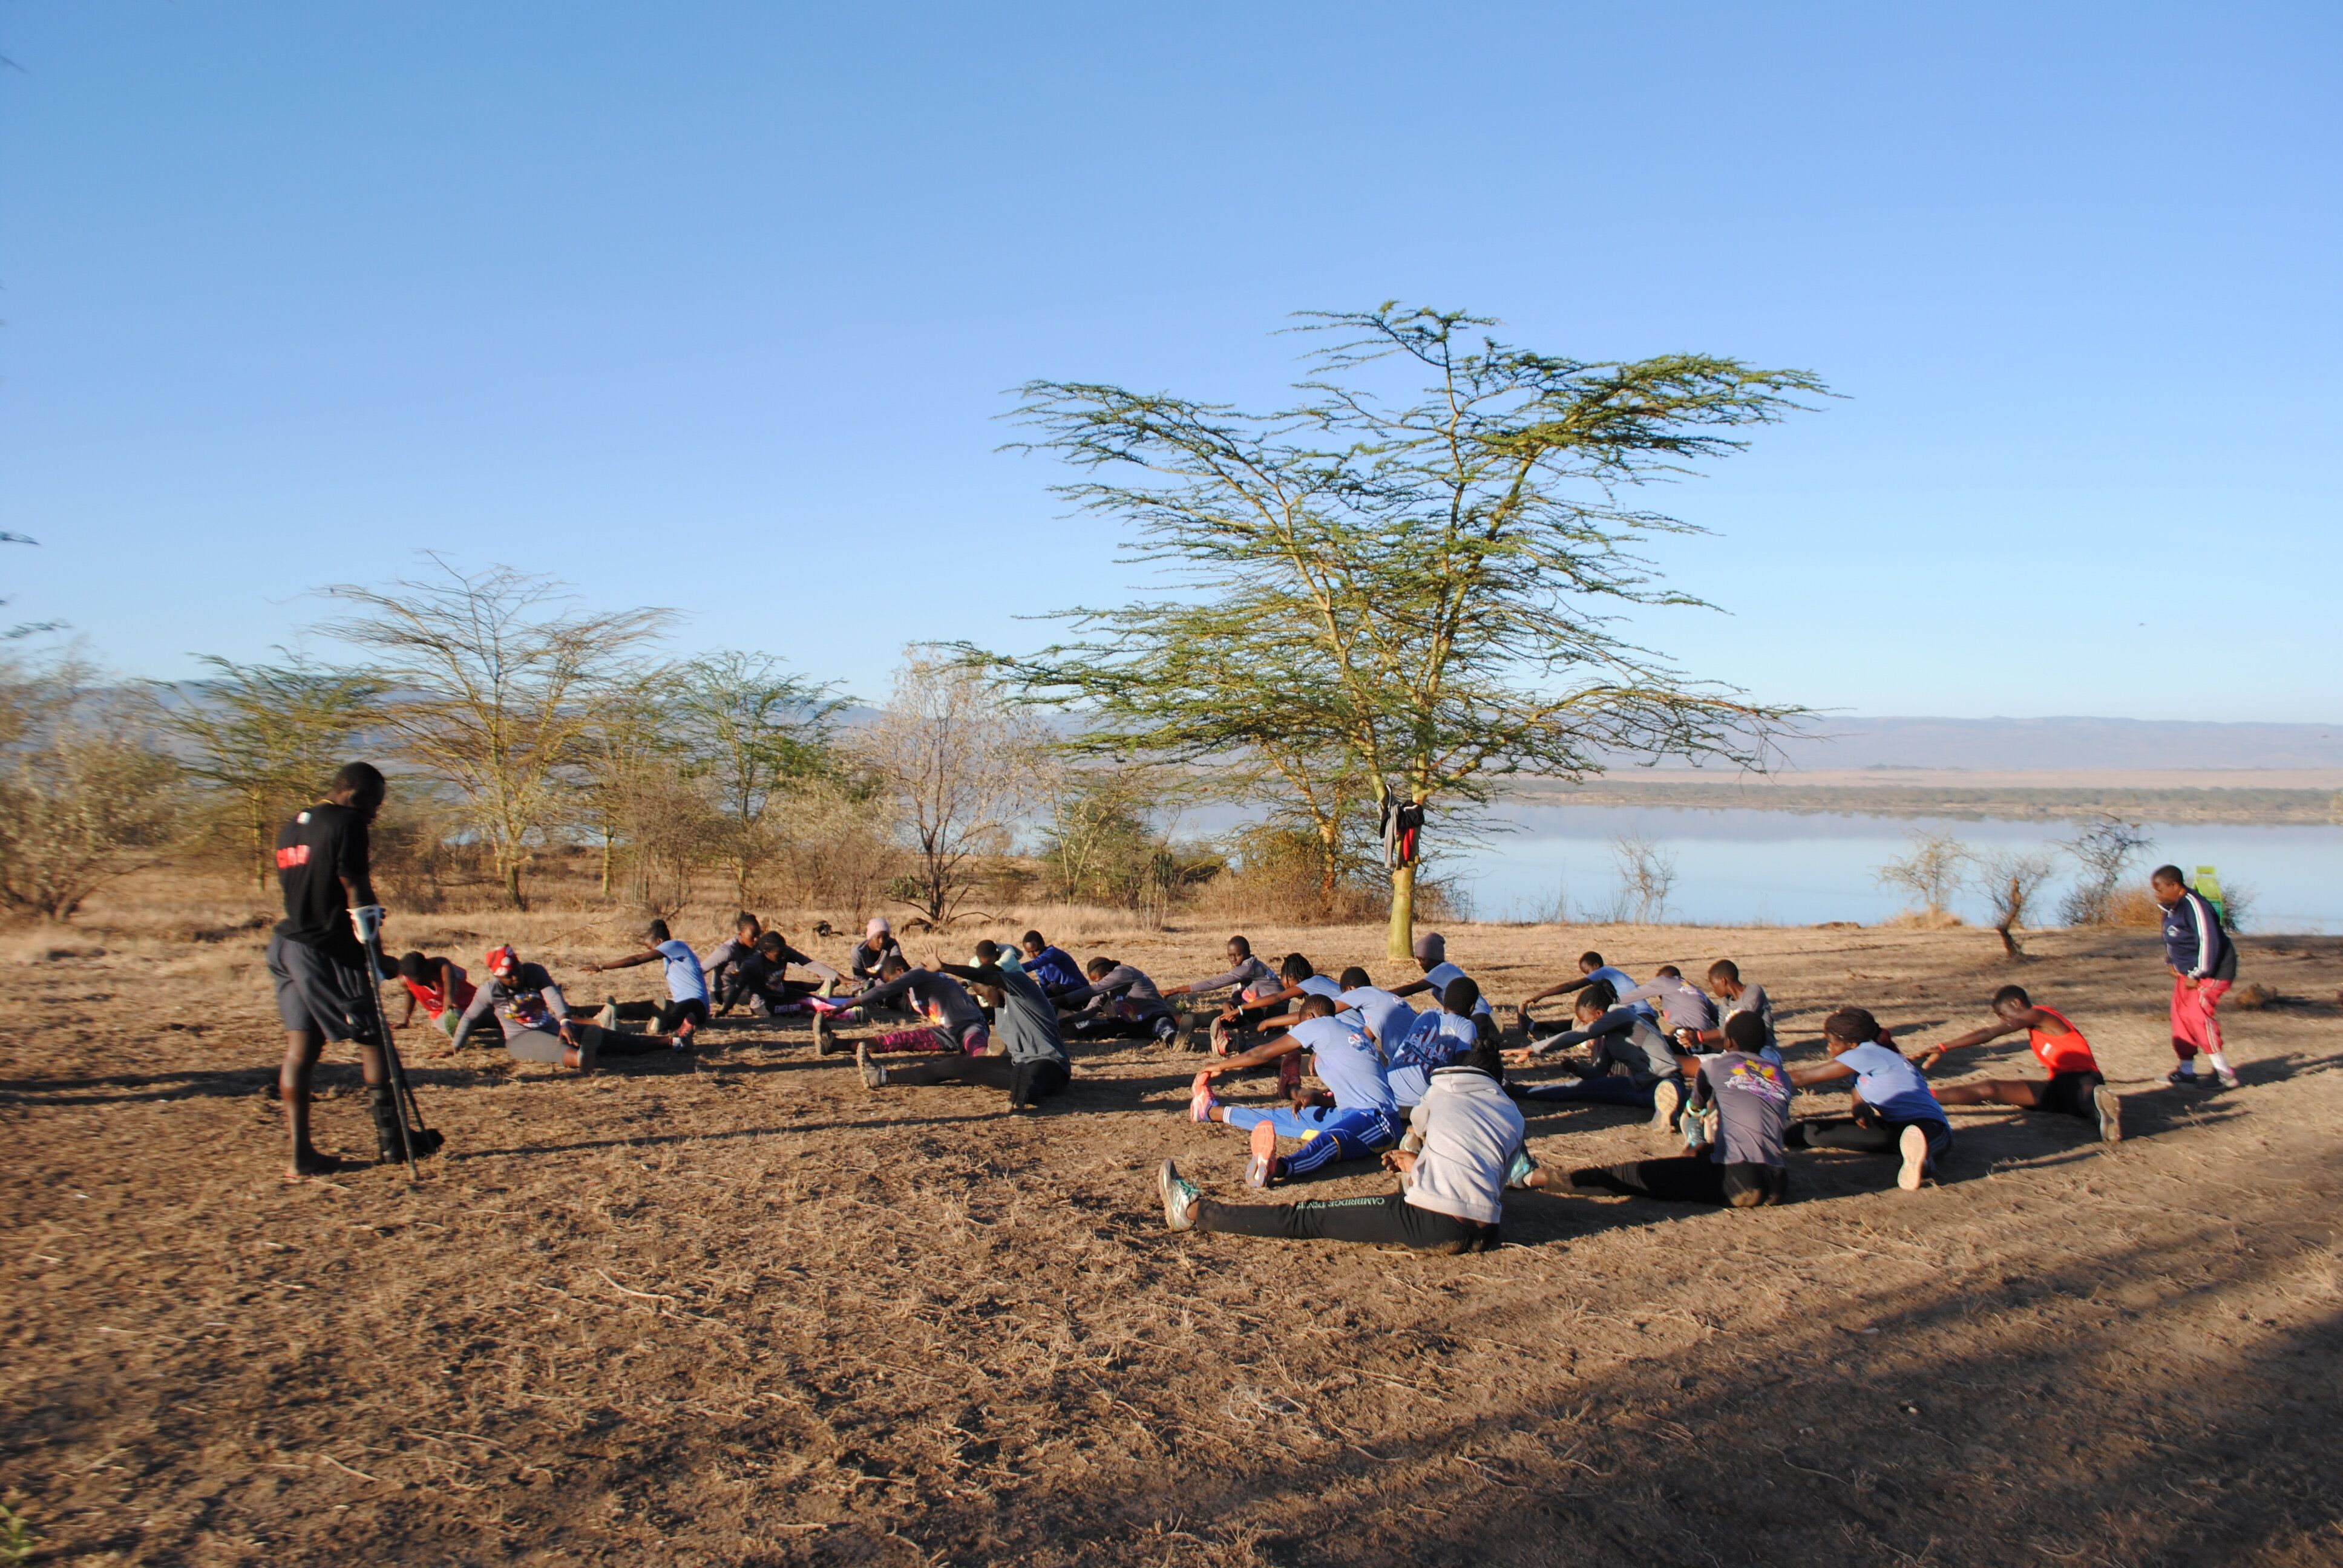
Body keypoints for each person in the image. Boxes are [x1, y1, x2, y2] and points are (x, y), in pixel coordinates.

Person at [1158, 1037, 1527, 1253]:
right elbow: (1488, 1172)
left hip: (1434, 1223)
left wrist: (1418, 1161)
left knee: (1307, 1216)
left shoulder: (1441, 1091)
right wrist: (1418, 1166)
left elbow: (1419, 1129)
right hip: (1486, 1231)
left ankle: (1193, 1212)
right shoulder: (1513, 1114)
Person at [265, 762, 441, 1177]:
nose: (375, 815)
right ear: (356, 795)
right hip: (327, 950)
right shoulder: (347, 822)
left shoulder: (291, 826)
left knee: (301, 1051)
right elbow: (357, 891)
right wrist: (377, 957)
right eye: (374, 805)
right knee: (375, 1040)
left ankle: (300, 1156)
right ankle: (394, 1145)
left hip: (285, 945)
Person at [1547, 1011, 1791, 1207]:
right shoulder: (1781, 1076)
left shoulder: (1715, 1066)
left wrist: (1696, 1142)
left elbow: (1695, 1110)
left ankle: (1550, 1180)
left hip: (1736, 1177)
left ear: (1728, 1042)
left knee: (1630, 1175)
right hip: (1778, 1179)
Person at [1186, 995, 1406, 1188]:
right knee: (1280, 1117)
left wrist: (1218, 1066)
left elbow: (1262, 1053)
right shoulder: (1350, 1034)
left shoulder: (1320, 1025)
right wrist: (1315, 1096)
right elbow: (1358, 1091)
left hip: (1379, 1121)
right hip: (1349, 1112)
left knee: (1328, 1142)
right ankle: (1210, 1111)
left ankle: (1277, 1167)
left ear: (1310, 1017)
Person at [854, 942, 1072, 1109]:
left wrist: (945, 967)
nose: (983, 999)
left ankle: (1027, 1092)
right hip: (1019, 1066)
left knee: (1030, 1078)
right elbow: (1013, 1048)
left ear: (994, 984)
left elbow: (985, 974)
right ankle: (883, 1076)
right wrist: (987, 1065)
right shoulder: (1000, 1010)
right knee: (956, 1065)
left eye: (982, 993)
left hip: (1051, 1065)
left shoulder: (1024, 988)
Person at [1922, 985, 2121, 1143]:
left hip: (2083, 1079)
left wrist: (1943, 1046)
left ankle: (2102, 1113)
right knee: (1991, 1088)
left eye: (2002, 1013)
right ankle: (1924, 1097)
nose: (2003, 1019)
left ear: (2017, 1003)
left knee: (2085, 1097)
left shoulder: (2039, 1014)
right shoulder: (2036, 1027)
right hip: (2058, 1086)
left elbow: (1991, 1033)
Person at [1785, 1007, 1950, 1192]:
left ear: (1853, 1044)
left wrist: (1753, 1073)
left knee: (1923, 1142)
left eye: (1832, 1043)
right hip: (1893, 1129)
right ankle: (1913, 1156)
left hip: (1931, 1126)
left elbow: (1800, 1078)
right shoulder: (1864, 1056)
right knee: (1804, 1132)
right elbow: (1858, 1089)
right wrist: (1859, 1107)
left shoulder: (1868, 1054)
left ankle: (1919, 1163)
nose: (1828, 1048)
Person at [452, 946, 683, 1068]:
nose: (516, 978)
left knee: (612, 1039)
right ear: (497, 977)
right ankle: (581, 1059)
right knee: (555, 1049)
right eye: (509, 976)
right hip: (521, 1038)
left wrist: (565, 1021)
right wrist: (455, 1047)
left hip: (554, 1027)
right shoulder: (489, 991)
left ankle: (672, 1041)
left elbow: (553, 996)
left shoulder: (535, 972)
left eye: (517, 971)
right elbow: (470, 1017)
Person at [1502, 987, 1694, 1129]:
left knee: (1669, 1092)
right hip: (1639, 1086)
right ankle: (1519, 1090)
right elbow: (1599, 1073)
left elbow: (1580, 1035)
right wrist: (1577, 1070)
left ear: (1600, 1014)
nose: (1583, 1026)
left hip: (1667, 1079)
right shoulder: (1611, 1039)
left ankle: (1667, 1114)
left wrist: (1533, 1048)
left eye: (1586, 1021)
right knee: (1577, 1089)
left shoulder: (1621, 1014)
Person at [2152, 864, 2240, 1089]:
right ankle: (2186, 1072)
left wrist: (2198, 973)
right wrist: (2171, 962)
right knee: (2180, 1015)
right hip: (2188, 973)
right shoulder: (2171, 907)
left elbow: (2209, 941)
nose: (2157, 895)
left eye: (2160, 890)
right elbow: (2174, 939)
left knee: (2196, 1015)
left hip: (2211, 972)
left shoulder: (2196, 906)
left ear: (2175, 885)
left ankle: (2224, 1074)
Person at [814, 951, 991, 1057]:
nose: (894, 985)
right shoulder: (917, 987)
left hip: (970, 1026)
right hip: (948, 1032)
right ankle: (834, 1044)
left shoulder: (918, 973)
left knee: (978, 1052)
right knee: (895, 1040)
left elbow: (886, 990)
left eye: (891, 980)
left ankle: (1001, 1067)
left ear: (900, 970)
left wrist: (848, 1005)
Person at [582, 920, 710, 1040]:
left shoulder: (674, 945)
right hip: (677, 1003)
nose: (651, 951)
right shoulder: (673, 954)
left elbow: (638, 959)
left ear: (660, 941)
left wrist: (602, 967)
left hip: (696, 1003)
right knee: (630, 1008)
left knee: (675, 1019)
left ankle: (665, 1023)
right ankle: (578, 1011)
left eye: (652, 947)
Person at [1383, 978, 1490, 1108]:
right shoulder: (1465, 1026)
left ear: (1444, 1000)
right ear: (1472, 1007)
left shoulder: (1427, 1014)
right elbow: (1464, 1068)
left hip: (1384, 1093)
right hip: (1414, 1105)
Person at [1518, 950, 1652, 1035]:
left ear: (1596, 966)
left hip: (1637, 1015)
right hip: (1644, 1015)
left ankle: (1534, 1026)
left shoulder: (1604, 972)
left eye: (1588, 972)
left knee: (1583, 1022)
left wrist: (1541, 995)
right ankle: (1534, 1026)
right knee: (1584, 1019)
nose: (1588, 976)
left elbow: (1570, 986)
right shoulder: (1613, 979)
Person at [1054, 956, 1181, 1045]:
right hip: (1131, 1023)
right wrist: (1066, 1021)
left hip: (1154, 1016)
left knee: (1162, 1026)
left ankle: (1174, 1039)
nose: (1101, 984)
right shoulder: (1107, 986)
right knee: (1087, 1026)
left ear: (1108, 974)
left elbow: (1093, 990)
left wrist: (1058, 1000)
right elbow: (1090, 1010)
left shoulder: (1123, 972)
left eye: (1101, 981)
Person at [723, 931, 845, 1016]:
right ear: (766, 952)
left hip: (780, 993)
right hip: (764, 1006)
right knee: (809, 1005)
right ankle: (850, 1014)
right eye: (779, 954)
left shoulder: (783, 951)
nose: (784, 957)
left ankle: (852, 1003)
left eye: (784, 952)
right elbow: (738, 988)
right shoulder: (753, 964)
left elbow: (810, 964)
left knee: (814, 998)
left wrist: (839, 976)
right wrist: (726, 1009)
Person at [1672, 961, 1777, 1056]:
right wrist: (1699, 1040)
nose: (1713, 989)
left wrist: (1699, 1036)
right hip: (1734, 1054)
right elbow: (1724, 1040)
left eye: (1713, 984)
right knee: (1699, 1065)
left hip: (1762, 1051)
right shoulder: (1724, 1005)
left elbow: (1738, 1025)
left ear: (1723, 981)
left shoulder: (1753, 991)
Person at [1388, 932, 1493, 1019]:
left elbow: (1414, 988)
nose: (1420, 964)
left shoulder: (1442, 970)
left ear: (1435, 958)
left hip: (1478, 1014)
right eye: (1418, 959)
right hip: (1475, 1013)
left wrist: (1383, 994)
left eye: (1423, 959)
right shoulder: (1447, 968)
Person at [1610, 965, 1719, 1038]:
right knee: (1661, 1017)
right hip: (1704, 1038)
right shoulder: (1696, 989)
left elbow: (1629, 997)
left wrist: (1605, 1002)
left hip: (1685, 1036)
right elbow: (1717, 1018)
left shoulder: (1664, 981)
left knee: (1652, 1022)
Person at [393, 950, 477, 1044]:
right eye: (416, 979)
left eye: (423, 975)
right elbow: (410, 993)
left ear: (427, 965)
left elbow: (448, 972)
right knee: (453, 1018)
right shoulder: (405, 981)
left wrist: (448, 998)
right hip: (445, 1015)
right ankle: (463, 1029)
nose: (421, 979)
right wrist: (405, 1020)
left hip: (474, 1005)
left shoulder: (442, 967)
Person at [700, 913, 764, 1006]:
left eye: (759, 935)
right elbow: (700, 970)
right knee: (762, 994)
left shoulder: (754, 947)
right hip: (724, 993)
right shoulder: (727, 950)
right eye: (753, 936)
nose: (756, 939)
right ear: (741, 934)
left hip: (742, 988)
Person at [1017, 930, 1088, 997]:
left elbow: (1033, 964)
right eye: (1029, 952)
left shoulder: (1052, 953)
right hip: (1063, 992)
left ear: (1042, 945)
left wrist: (1011, 969)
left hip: (1080, 991)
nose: (1032, 956)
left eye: (1035, 951)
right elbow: (1044, 986)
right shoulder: (1039, 967)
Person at [850, 918, 905, 984]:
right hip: (865, 986)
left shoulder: (892, 944)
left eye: (885, 937)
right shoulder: (858, 952)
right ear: (870, 937)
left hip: (888, 984)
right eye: (878, 937)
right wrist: (876, 985)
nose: (882, 941)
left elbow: (897, 965)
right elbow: (859, 978)